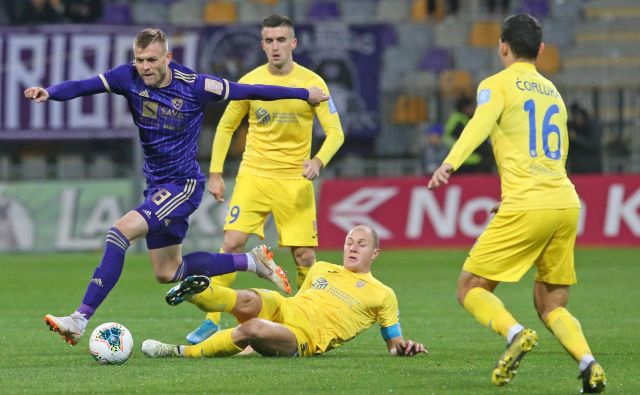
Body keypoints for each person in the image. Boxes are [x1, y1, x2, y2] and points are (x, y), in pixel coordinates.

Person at [24, 28, 330, 346]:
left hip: (183, 185)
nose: (145, 67)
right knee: (168, 271)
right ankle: (252, 261)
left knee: (119, 232)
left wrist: (303, 94)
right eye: (140, 60)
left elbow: (249, 89)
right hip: (156, 186)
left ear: (168, 57)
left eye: (152, 59)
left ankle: (79, 318)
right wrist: (51, 92)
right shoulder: (126, 77)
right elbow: (83, 85)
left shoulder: (195, 86)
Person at [428, 14, 607, 393]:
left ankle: (513, 334)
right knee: (551, 302)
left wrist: (449, 162)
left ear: (502, 47)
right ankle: (589, 364)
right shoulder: (553, 93)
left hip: (529, 203)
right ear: (541, 50)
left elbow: (479, 123)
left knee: (470, 287)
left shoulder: (497, 85)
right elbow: (553, 155)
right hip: (565, 202)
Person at [187, 14, 345, 344]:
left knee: (303, 257)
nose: (275, 46)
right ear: (262, 45)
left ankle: (311, 321)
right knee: (231, 243)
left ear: (293, 43)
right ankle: (211, 319)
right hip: (254, 177)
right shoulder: (250, 81)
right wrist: (215, 174)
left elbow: (335, 133)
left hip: (294, 181)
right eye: (269, 41)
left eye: (281, 40)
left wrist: (318, 160)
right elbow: (226, 126)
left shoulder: (312, 84)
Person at [141, 225, 427, 359]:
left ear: (375, 252)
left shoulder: (383, 294)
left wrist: (403, 348)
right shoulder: (322, 268)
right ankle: (194, 292)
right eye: (349, 242)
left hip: (304, 338)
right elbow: (305, 300)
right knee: (250, 299)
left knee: (253, 328)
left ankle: (179, 352)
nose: (352, 247)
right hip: (285, 307)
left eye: (361, 244)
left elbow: (393, 343)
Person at [443, 96, 493, 173]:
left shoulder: (469, 119)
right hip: (463, 160)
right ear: (464, 108)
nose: (473, 109)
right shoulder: (457, 121)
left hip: (472, 157)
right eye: (471, 106)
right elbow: (448, 138)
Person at [567, 102, 602, 174]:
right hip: (577, 170)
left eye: (579, 116)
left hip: (592, 170)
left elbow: (593, 145)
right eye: (575, 117)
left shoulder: (593, 126)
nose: (577, 119)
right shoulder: (571, 127)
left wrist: (576, 138)